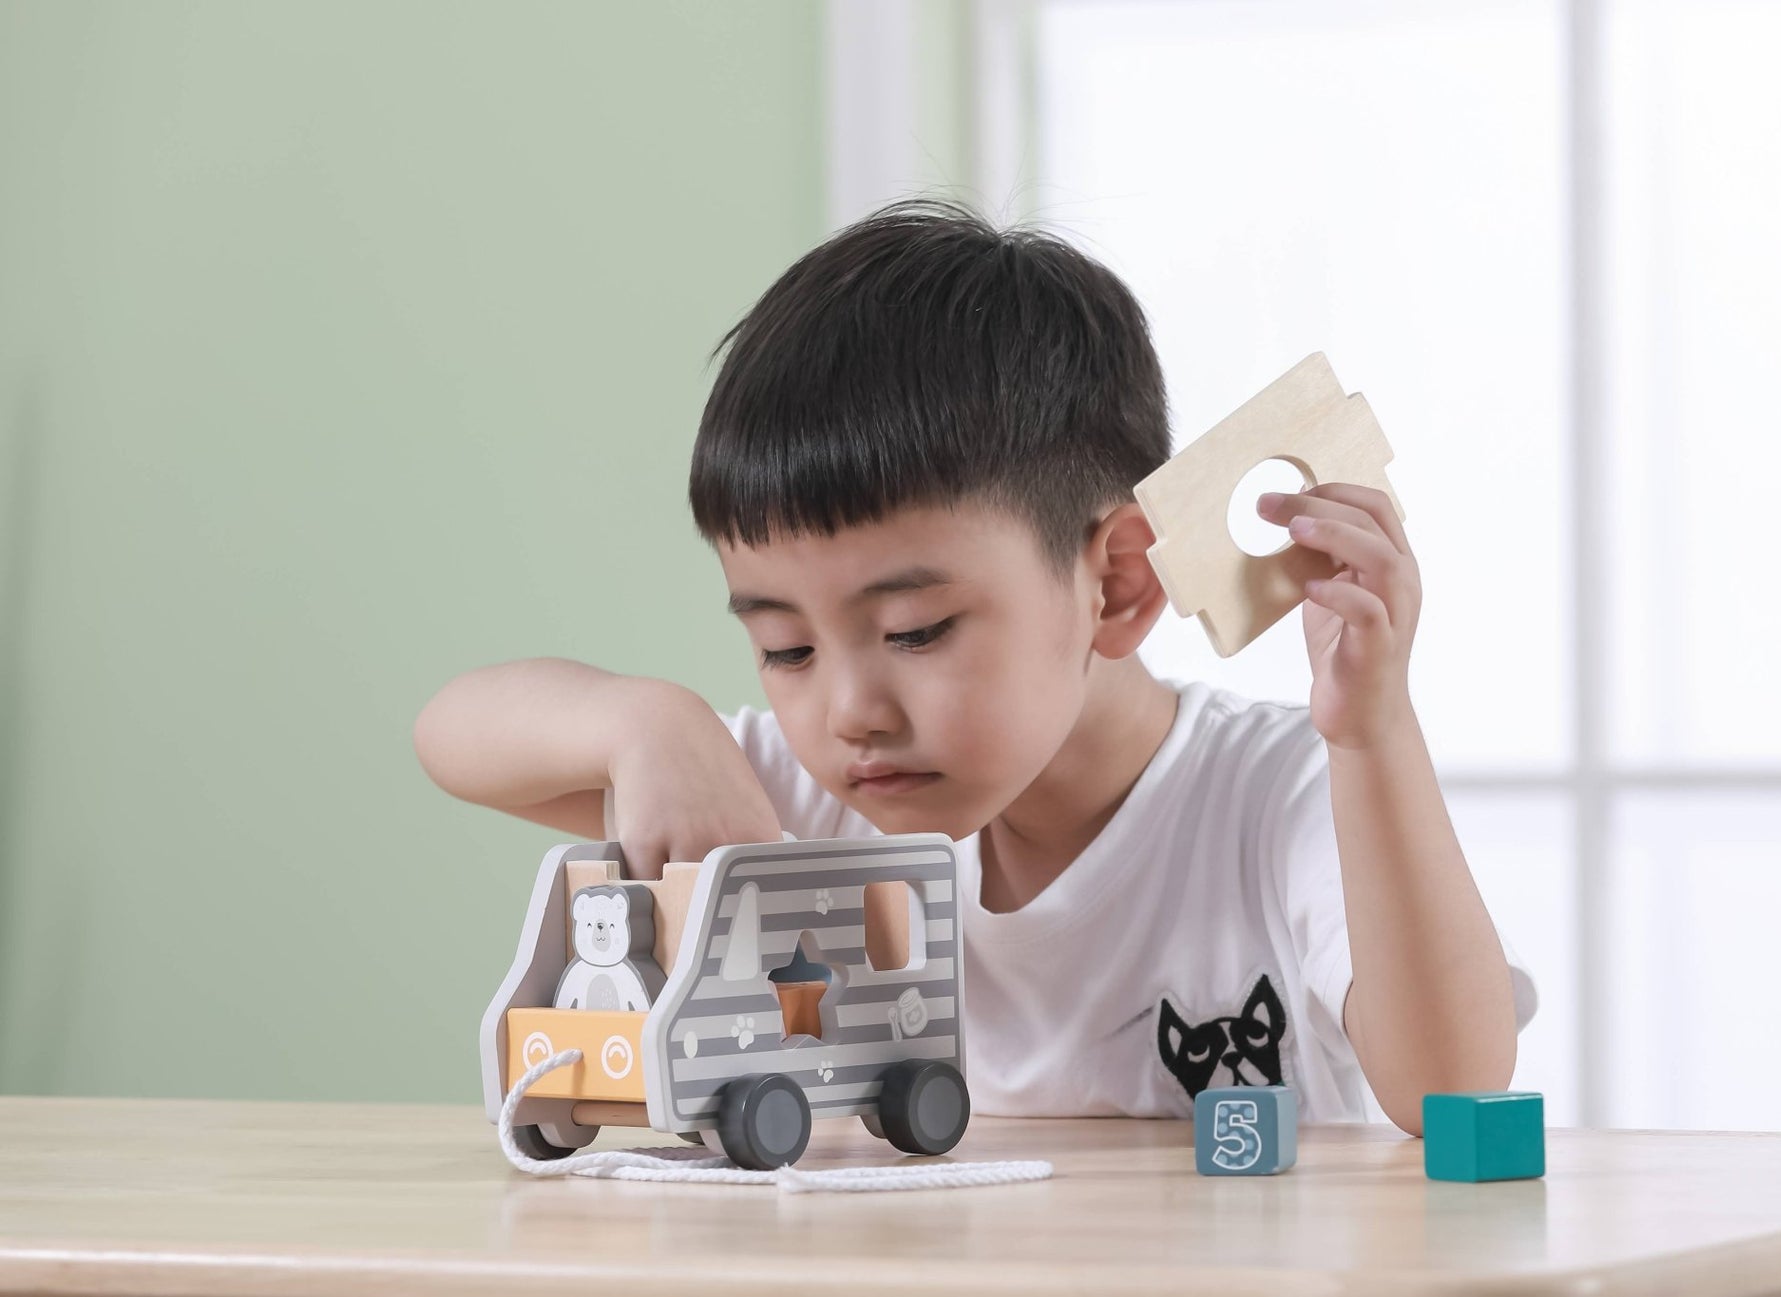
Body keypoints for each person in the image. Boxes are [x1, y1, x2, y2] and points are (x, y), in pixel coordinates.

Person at [415, 199, 1536, 1133]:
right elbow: (453, 736)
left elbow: (1452, 1087)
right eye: (783, 648)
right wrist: (641, 722)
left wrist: (1370, 735)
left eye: (914, 632)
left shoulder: (1278, 793)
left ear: (1118, 584)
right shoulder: (787, 798)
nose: (848, 710)